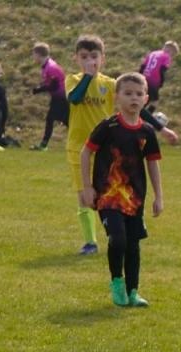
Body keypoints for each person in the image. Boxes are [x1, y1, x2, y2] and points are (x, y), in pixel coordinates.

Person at [79, 73, 164, 309]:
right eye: (128, 93)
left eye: (138, 94)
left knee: (133, 244)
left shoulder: (147, 132)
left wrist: (159, 196)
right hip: (107, 196)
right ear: (117, 98)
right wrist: (87, 187)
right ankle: (117, 282)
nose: (133, 98)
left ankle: (133, 291)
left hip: (134, 198)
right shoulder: (108, 127)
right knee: (118, 239)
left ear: (146, 98)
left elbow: (153, 163)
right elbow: (85, 153)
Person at [65, 35, 117, 255]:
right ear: (76, 58)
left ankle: (116, 235)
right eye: (84, 57)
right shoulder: (73, 80)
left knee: (110, 193)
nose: (89, 61)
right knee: (85, 195)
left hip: (105, 148)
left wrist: (161, 128)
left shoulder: (110, 84)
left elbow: (132, 106)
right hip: (78, 147)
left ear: (102, 59)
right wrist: (87, 76)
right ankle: (90, 242)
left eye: (94, 57)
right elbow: (74, 99)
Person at [29, 42, 68, 151]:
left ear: (38, 54)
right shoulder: (46, 66)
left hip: (61, 98)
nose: (33, 57)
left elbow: (54, 85)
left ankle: (44, 144)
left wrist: (39, 89)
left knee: (52, 119)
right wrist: (40, 87)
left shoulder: (51, 67)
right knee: (66, 121)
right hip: (58, 97)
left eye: (34, 54)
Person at [139, 40, 179, 116]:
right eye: (173, 54)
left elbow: (143, 66)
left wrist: (139, 77)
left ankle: (138, 115)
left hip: (143, 78)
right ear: (171, 51)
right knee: (154, 102)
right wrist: (161, 82)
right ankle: (144, 118)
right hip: (154, 81)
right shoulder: (166, 57)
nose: (172, 57)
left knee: (145, 99)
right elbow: (162, 70)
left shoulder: (153, 53)